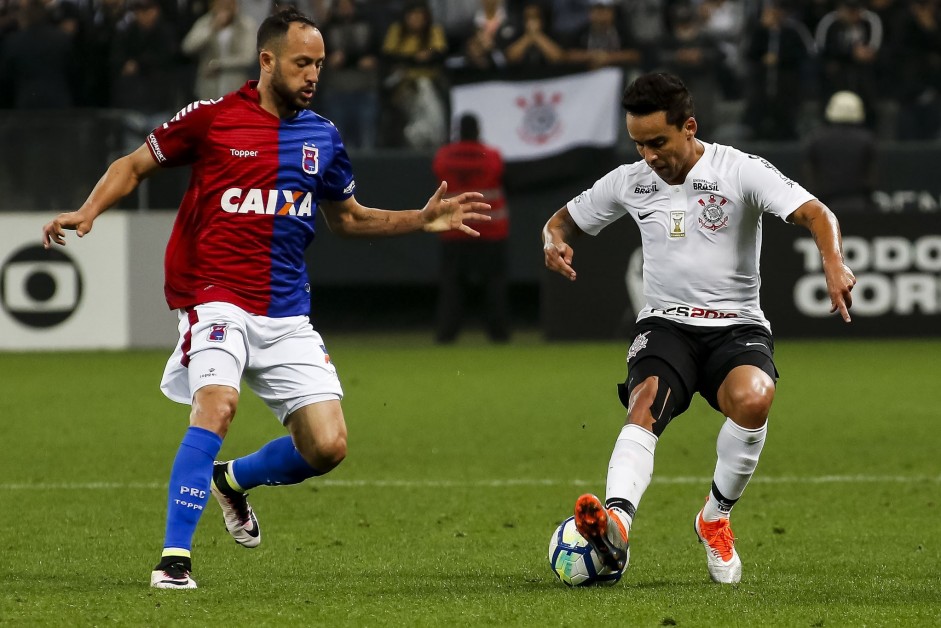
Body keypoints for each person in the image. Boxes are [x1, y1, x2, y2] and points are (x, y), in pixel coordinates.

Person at [41, 6, 491, 590]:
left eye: (321, 65)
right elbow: (133, 165)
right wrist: (88, 209)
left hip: (285, 312)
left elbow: (348, 220)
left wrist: (420, 219)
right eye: (303, 63)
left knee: (328, 445)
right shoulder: (211, 119)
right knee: (218, 405)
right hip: (214, 297)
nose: (313, 75)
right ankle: (174, 558)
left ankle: (233, 481)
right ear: (267, 60)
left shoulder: (323, 137)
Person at [542, 72, 856, 584]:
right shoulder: (630, 181)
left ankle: (714, 517)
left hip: (737, 328)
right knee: (644, 401)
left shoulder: (740, 170)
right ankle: (615, 526)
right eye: (638, 143)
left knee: (755, 399)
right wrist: (551, 241)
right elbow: (561, 221)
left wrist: (833, 264)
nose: (647, 155)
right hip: (665, 324)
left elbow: (817, 214)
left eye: (658, 142)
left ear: (690, 127)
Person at [432, 113, 510, 343]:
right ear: (477, 130)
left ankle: (446, 335)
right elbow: (501, 176)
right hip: (491, 230)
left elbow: (438, 174)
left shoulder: (443, 157)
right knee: (494, 286)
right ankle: (499, 335)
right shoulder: (492, 156)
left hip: (454, 231)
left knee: (452, 287)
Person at [804, 90, 876, 212]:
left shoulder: (816, 139)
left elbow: (809, 174)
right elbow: (872, 176)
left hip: (824, 205)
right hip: (860, 205)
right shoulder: (867, 140)